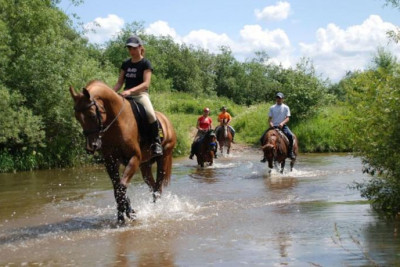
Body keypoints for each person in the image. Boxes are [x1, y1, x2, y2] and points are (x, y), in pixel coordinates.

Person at [113, 35, 163, 158]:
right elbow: (120, 82)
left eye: (134, 48)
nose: (131, 51)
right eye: (129, 48)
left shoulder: (145, 63)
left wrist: (130, 91)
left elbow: (146, 83)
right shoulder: (126, 63)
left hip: (140, 95)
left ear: (140, 47)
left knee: (151, 114)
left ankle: (156, 142)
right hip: (125, 95)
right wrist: (111, 93)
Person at [261, 92, 295, 161]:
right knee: (262, 138)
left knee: (290, 136)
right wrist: (271, 123)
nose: (278, 99)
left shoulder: (286, 107)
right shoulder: (272, 107)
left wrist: (282, 123)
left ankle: (290, 152)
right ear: (276, 99)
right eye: (277, 98)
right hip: (273, 127)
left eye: (280, 98)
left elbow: (288, 118)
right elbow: (270, 119)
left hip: (283, 126)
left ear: (283, 99)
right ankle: (265, 155)